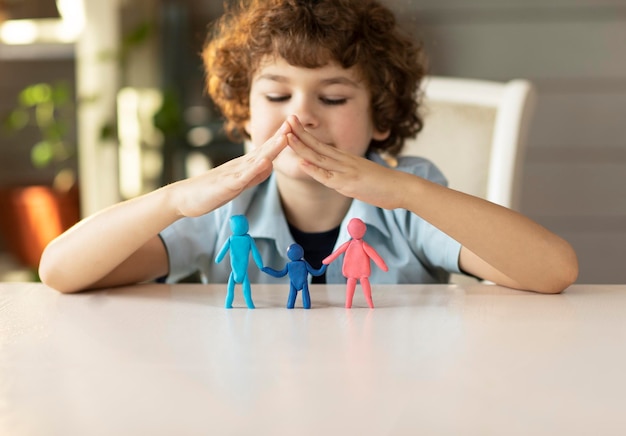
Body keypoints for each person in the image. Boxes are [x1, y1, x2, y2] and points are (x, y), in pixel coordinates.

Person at [39, 0, 578, 295]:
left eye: (334, 96)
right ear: (245, 114)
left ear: (381, 120)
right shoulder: (224, 209)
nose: (301, 115)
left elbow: (553, 271)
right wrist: (176, 200)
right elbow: (60, 271)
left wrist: (406, 190)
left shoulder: (407, 201)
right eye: (277, 94)